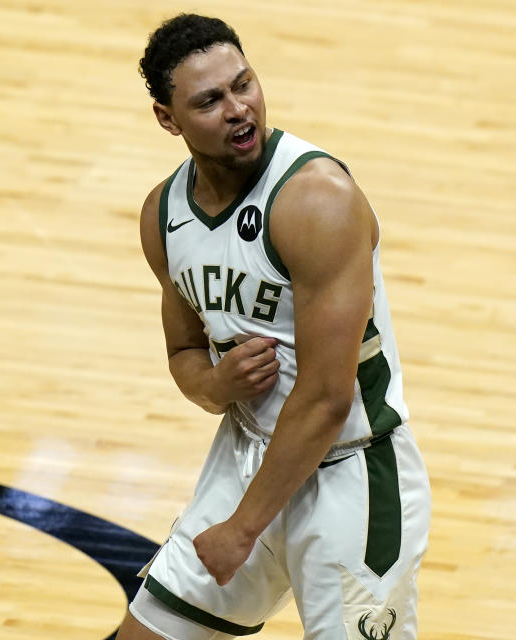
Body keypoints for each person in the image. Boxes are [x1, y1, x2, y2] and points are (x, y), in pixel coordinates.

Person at [118, 13, 432, 640]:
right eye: (210, 100)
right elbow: (184, 351)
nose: (239, 109)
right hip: (246, 455)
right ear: (167, 118)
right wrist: (216, 385)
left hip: (350, 475)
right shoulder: (164, 214)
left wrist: (242, 528)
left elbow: (324, 397)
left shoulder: (317, 199)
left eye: (244, 84)